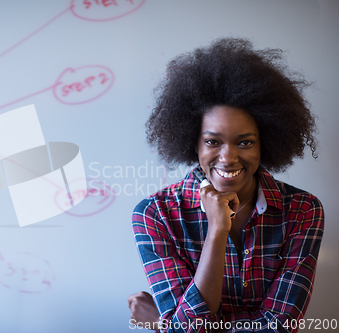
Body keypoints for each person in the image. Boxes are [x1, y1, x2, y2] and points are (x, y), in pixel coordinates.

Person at [128, 38, 324, 333]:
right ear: (193, 142)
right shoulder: (155, 214)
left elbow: (277, 328)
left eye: (245, 142)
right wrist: (217, 230)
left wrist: (163, 324)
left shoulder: (302, 210)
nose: (228, 157)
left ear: (266, 142)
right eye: (212, 141)